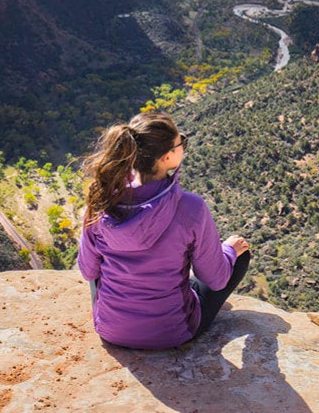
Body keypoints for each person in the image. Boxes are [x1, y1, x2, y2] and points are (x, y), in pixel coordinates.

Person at [77, 111, 251, 349]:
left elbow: (88, 271)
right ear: (167, 157)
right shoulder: (191, 208)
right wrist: (229, 252)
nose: (184, 147)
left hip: (111, 330)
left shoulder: (101, 201)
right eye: (182, 142)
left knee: (100, 262)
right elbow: (215, 279)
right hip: (172, 332)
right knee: (239, 254)